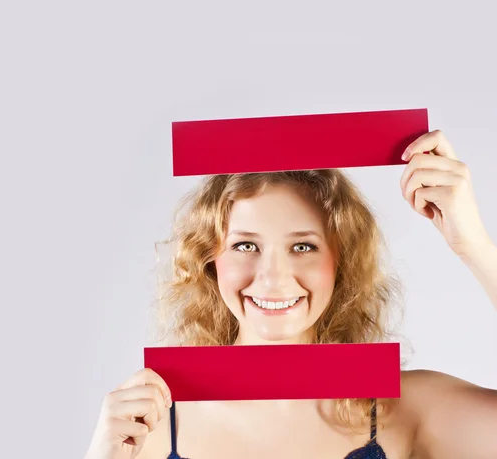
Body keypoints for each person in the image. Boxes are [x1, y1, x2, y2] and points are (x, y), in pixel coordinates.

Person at [84, 129, 497, 459]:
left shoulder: (408, 410)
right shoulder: (149, 429)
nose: (273, 278)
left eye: (303, 247)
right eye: (246, 245)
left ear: (341, 263)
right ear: (211, 260)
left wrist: (474, 246)